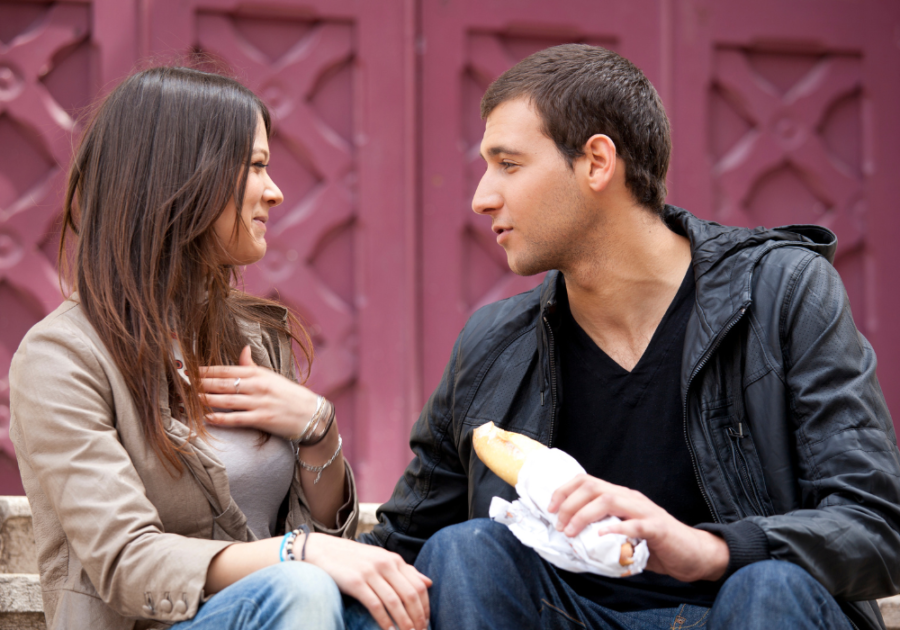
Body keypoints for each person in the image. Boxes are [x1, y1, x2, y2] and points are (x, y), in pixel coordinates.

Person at [359, 44, 900, 629]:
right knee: (464, 552)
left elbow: (877, 524)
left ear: (596, 162)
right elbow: (401, 549)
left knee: (769, 587)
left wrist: (712, 550)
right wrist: (313, 455)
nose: (481, 198)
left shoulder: (781, 292)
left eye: (508, 164)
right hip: (563, 613)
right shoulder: (493, 343)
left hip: (746, 614)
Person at [9, 67, 430, 630]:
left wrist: (317, 430)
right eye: (256, 166)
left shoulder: (254, 339)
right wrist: (294, 555)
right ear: (182, 177)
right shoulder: (62, 357)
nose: (276, 191)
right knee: (299, 587)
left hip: (296, 611)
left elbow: (332, 551)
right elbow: (126, 561)